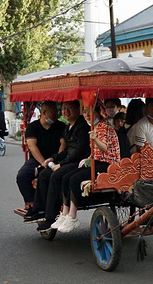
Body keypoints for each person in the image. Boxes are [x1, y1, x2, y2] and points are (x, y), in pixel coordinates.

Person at [50, 105, 121, 233]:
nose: (87, 114)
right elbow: (95, 152)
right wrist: (87, 159)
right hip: (97, 161)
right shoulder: (95, 127)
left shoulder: (104, 126)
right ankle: (65, 213)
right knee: (66, 177)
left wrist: (95, 139)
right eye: (85, 111)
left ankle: (73, 216)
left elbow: (103, 148)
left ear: (98, 112)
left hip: (108, 164)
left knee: (75, 179)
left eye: (90, 112)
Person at [27, 100, 91, 232]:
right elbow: (68, 150)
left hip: (78, 161)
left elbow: (78, 152)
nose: (66, 111)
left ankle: (51, 217)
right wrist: (54, 158)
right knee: (44, 174)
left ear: (78, 110)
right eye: (63, 109)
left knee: (56, 176)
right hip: (69, 159)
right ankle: (40, 210)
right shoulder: (68, 127)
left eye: (69, 108)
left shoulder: (82, 127)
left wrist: (60, 164)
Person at [18, 102, 66, 216]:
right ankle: (31, 204)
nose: (56, 115)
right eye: (54, 112)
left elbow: (63, 143)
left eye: (57, 112)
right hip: (38, 159)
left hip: (56, 158)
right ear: (44, 113)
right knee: (22, 176)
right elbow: (32, 146)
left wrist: (56, 159)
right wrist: (43, 162)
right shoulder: (33, 127)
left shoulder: (61, 126)